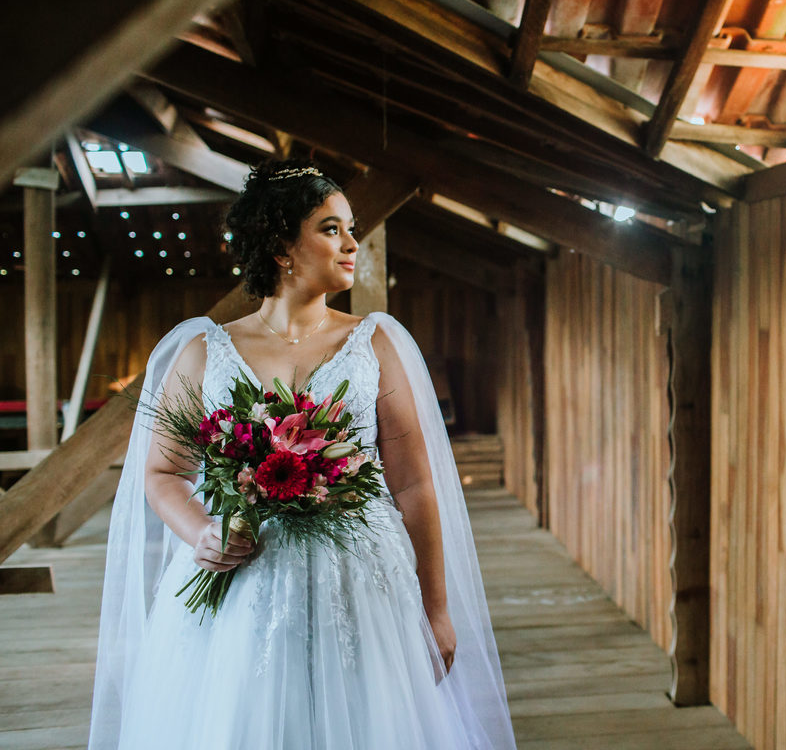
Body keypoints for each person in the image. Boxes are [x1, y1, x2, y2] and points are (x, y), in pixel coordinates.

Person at [88, 160, 516, 749]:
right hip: (245, 587)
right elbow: (163, 473)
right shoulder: (204, 352)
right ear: (282, 246)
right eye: (330, 228)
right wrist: (202, 533)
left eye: (350, 227)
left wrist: (436, 609)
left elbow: (414, 486)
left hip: (361, 587)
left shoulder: (375, 343)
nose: (350, 243)